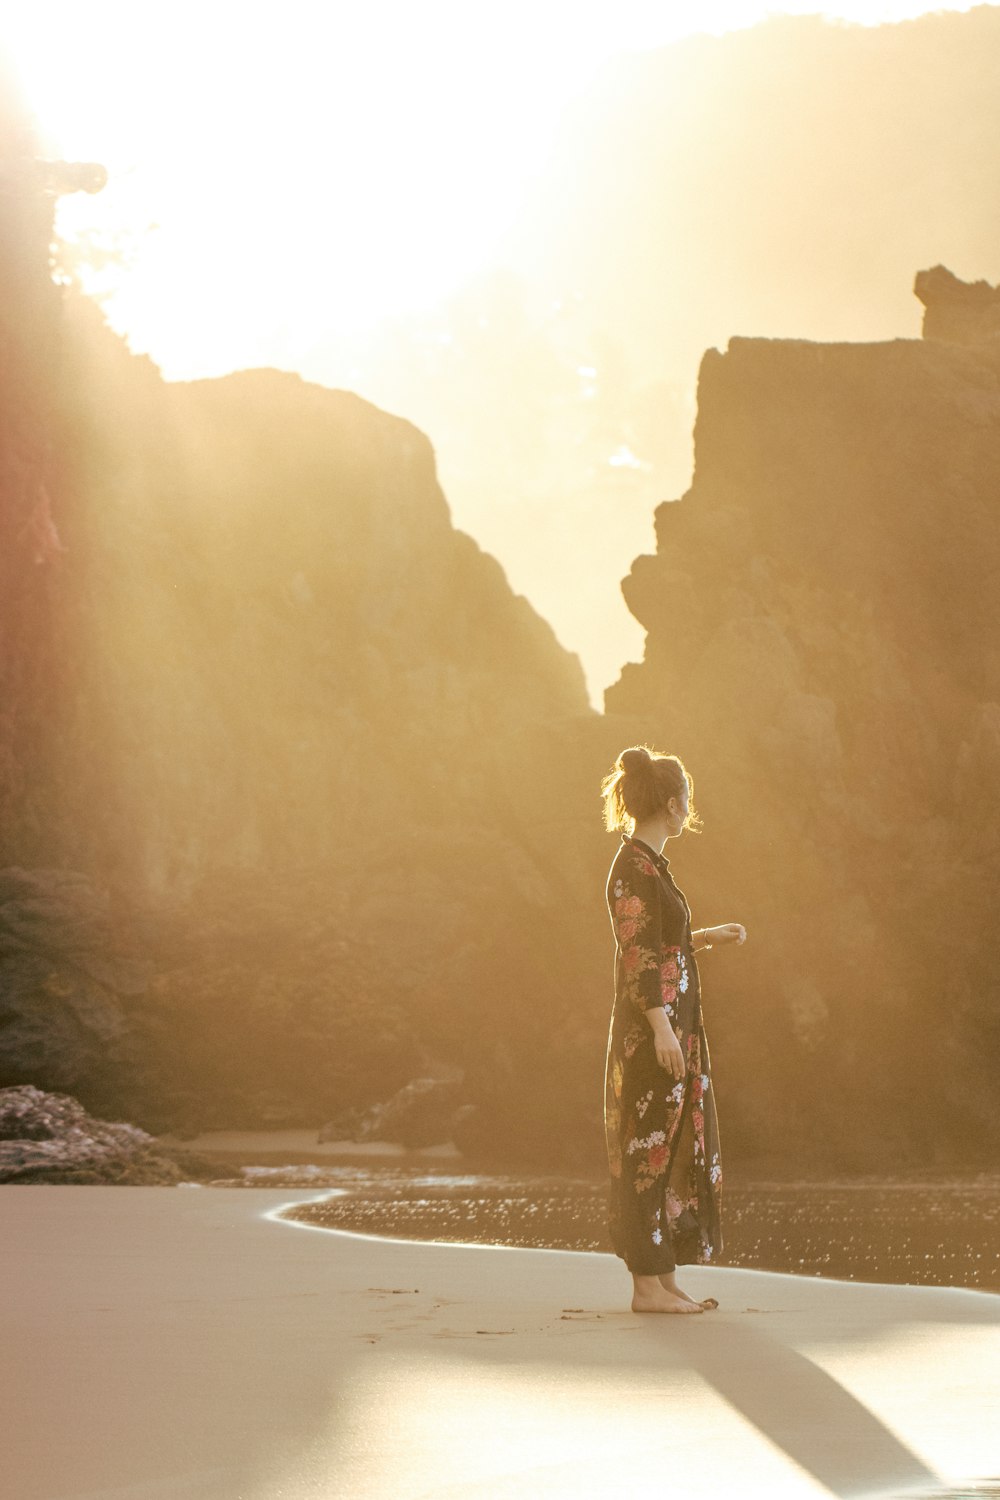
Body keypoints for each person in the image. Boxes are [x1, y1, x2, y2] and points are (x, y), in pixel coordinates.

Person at [601, 745, 746, 1314]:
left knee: (668, 1146)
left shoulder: (651, 865)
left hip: (673, 1029)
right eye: (687, 798)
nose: (690, 808)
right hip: (652, 1036)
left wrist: (705, 937)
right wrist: (661, 1030)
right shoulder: (630, 869)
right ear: (670, 802)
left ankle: (660, 1278)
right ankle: (645, 1288)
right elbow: (637, 955)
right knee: (648, 1149)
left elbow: (663, 943)